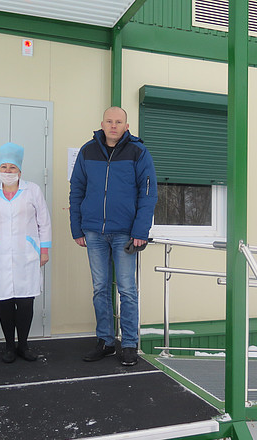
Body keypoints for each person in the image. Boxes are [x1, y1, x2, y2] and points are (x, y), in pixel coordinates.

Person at [69, 106, 157, 366]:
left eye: (119, 122)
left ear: (126, 126)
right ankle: (106, 341)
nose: (114, 126)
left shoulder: (138, 152)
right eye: (109, 121)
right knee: (100, 288)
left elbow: (148, 193)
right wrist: (77, 228)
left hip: (125, 233)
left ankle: (129, 344)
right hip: (94, 231)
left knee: (127, 290)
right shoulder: (88, 151)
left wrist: (141, 230)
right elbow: (77, 190)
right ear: (102, 124)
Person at [0, 143, 52, 363]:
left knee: (26, 301)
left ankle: (24, 345)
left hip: (26, 254)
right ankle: (9, 346)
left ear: (20, 171)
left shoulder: (32, 190)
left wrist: (44, 250)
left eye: (12, 167)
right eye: (4, 167)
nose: (8, 171)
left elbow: (44, 221)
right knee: (5, 302)